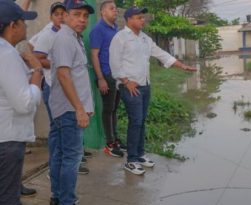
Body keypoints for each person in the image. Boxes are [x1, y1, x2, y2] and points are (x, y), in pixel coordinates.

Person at [109, 6, 197, 175]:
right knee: (135, 121)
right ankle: (131, 160)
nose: (143, 20)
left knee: (141, 121)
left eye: (143, 17)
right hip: (130, 88)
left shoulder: (144, 39)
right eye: (139, 17)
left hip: (145, 86)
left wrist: (182, 65)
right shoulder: (120, 38)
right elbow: (114, 64)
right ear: (129, 20)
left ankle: (140, 154)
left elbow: (162, 54)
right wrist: (126, 82)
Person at [48, 0, 94, 204]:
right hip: (69, 110)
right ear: (64, 16)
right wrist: (80, 109)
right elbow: (64, 75)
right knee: (71, 158)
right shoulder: (65, 39)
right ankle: (67, 200)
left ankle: (58, 197)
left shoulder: (74, 38)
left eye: (85, 16)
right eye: (76, 14)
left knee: (60, 154)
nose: (82, 20)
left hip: (65, 108)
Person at [0, 1, 42, 204]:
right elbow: (24, 103)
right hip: (8, 139)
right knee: (8, 197)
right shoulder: (6, 54)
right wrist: (37, 74)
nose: (26, 27)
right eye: (23, 22)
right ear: (12, 26)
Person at [90, 0, 125, 158]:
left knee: (114, 109)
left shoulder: (115, 28)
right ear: (103, 12)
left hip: (117, 75)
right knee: (108, 109)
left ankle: (115, 139)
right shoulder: (98, 30)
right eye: (112, 9)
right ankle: (110, 144)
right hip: (107, 75)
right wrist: (101, 78)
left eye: (116, 9)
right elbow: (94, 55)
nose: (115, 11)